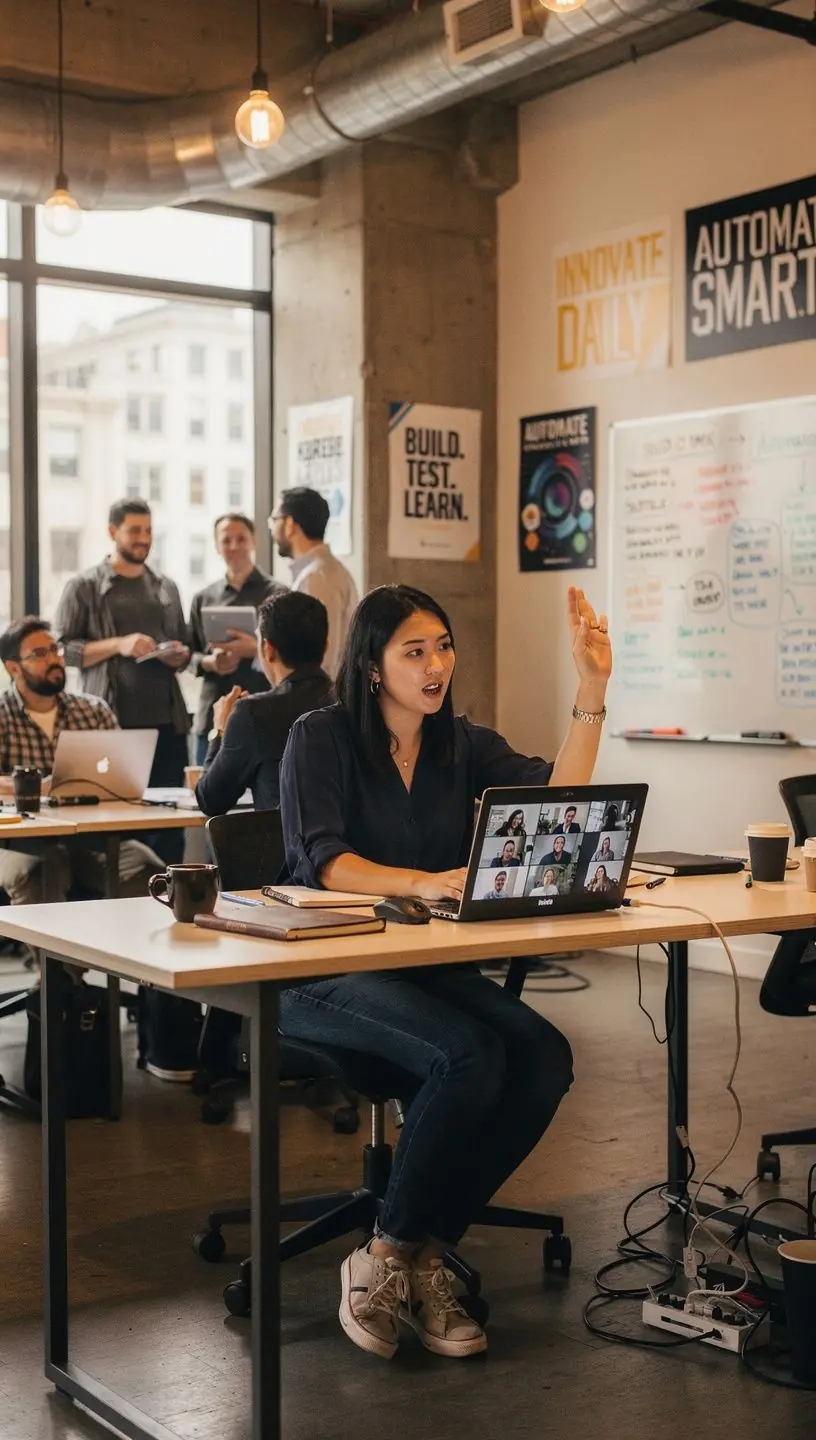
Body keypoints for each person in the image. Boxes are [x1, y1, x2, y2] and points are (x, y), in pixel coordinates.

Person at [279, 581, 611, 1361]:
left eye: (444, 647)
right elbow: (325, 862)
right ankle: (388, 1252)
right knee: (468, 1056)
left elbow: (557, 801)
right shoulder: (318, 737)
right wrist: (421, 881)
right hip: (318, 969)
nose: (436, 665)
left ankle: (420, 1250)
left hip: (422, 966)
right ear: (372, 666)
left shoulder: (461, 743)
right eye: (415, 651)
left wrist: (592, 688)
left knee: (544, 1056)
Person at [54, 498, 190, 862]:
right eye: (135, 530)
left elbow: (184, 644)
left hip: (167, 724)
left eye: (148, 530)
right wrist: (119, 644)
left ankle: (170, 893)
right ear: (112, 531)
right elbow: (62, 651)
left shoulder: (166, 586)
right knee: (118, 826)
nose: (144, 538)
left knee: (169, 829)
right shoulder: (84, 586)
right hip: (112, 725)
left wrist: (178, 654)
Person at [0, 617, 161, 906]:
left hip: (90, 837)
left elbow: (124, 775)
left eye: (55, 650)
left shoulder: (93, 710)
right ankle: (40, 940)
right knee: (43, 871)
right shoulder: (2, 714)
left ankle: (119, 938)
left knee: (147, 869)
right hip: (16, 842)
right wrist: (34, 787)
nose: (54, 660)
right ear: (13, 668)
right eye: (40, 654)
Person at [195, 591, 332, 816]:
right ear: (326, 646)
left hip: (283, 839)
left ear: (268, 650)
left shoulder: (254, 713)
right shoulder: (352, 701)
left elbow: (210, 800)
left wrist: (219, 730)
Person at [188, 513, 286, 764]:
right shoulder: (203, 597)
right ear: (216, 545)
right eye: (226, 540)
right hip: (213, 714)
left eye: (241, 539)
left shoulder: (278, 594)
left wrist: (255, 649)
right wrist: (211, 663)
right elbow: (190, 655)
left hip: (264, 714)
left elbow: (291, 655)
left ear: (254, 541)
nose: (233, 546)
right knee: (205, 783)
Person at [268, 487, 358, 679]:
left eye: (274, 520)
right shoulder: (322, 571)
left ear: (290, 524)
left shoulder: (316, 577)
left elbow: (321, 658)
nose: (272, 529)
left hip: (319, 694)